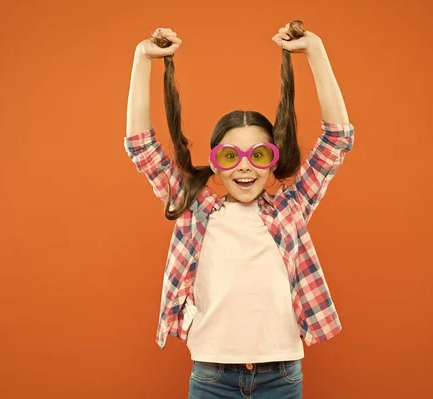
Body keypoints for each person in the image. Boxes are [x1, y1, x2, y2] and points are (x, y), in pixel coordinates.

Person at [124, 20, 354, 399]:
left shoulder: (290, 209)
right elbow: (141, 147)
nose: (245, 166)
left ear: (272, 161)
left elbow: (336, 139)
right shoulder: (195, 210)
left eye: (258, 155)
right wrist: (142, 59)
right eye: (231, 156)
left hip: (281, 375)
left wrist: (315, 51)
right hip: (213, 375)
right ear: (215, 163)